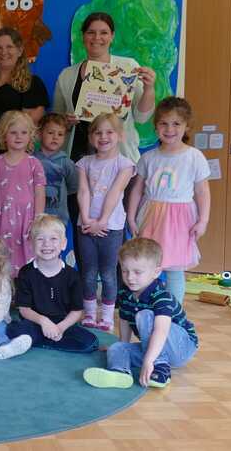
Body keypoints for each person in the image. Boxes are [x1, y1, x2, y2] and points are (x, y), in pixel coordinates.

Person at [127, 97, 211, 303]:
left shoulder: (194, 157)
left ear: (187, 126)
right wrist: (131, 217)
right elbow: (137, 190)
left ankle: (173, 312)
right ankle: (146, 307)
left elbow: (202, 191)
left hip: (180, 220)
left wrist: (203, 220)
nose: (169, 129)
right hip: (150, 217)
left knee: (174, 270)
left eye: (176, 123)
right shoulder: (148, 158)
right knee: (146, 264)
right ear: (156, 126)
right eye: (163, 123)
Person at [84, 238, 198, 389]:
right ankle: (120, 372)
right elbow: (124, 320)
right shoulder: (125, 293)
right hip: (155, 347)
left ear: (156, 272)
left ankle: (160, 368)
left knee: (145, 315)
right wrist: (123, 345)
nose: (130, 277)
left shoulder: (162, 296)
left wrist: (149, 360)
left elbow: (161, 331)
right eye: (125, 271)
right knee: (117, 348)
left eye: (137, 272)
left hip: (181, 348)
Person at [52, 12, 157, 163]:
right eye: (91, 32)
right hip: (78, 160)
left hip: (120, 161)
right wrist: (66, 122)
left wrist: (149, 88)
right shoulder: (66, 75)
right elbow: (56, 120)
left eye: (104, 33)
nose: (97, 38)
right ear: (83, 36)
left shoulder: (128, 67)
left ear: (112, 36)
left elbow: (142, 117)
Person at [5, 214, 99, 353]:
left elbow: (77, 311)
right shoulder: (26, 272)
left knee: (91, 343)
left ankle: (34, 341)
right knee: (12, 329)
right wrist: (44, 322)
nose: (46, 244)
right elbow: (24, 310)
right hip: (35, 322)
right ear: (31, 244)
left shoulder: (73, 275)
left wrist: (60, 328)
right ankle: (37, 339)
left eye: (53, 239)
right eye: (40, 239)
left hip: (63, 323)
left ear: (64, 243)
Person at [76, 113, 135, 332]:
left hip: (111, 227)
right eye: (98, 132)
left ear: (120, 135)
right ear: (91, 137)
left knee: (109, 273)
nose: (103, 137)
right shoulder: (84, 163)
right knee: (88, 272)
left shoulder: (125, 164)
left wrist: (102, 221)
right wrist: (86, 219)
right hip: (86, 225)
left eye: (109, 132)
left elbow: (115, 192)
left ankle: (108, 316)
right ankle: (90, 313)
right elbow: (83, 191)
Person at [0, 110, 46, 277]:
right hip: (3, 219)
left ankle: (25, 290)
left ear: (30, 135)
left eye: (24, 132)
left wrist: (38, 218)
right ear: (3, 135)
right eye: (13, 132)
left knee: (28, 257)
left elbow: (40, 193)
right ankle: (4, 289)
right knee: (2, 257)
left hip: (27, 220)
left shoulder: (34, 163)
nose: (18, 136)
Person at [0, 28, 49, 163]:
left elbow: (30, 123)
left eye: (9, 47)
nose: (4, 52)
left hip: (12, 158)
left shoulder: (32, 84)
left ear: (19, 51)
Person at [33, 113, 77, 227]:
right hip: (33, 217)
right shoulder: (31, 160)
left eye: (60, 134)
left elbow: (73, 187)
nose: (55, 137)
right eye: (50, 132)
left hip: (58, 219)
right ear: (39, 134)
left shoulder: (66, 162)